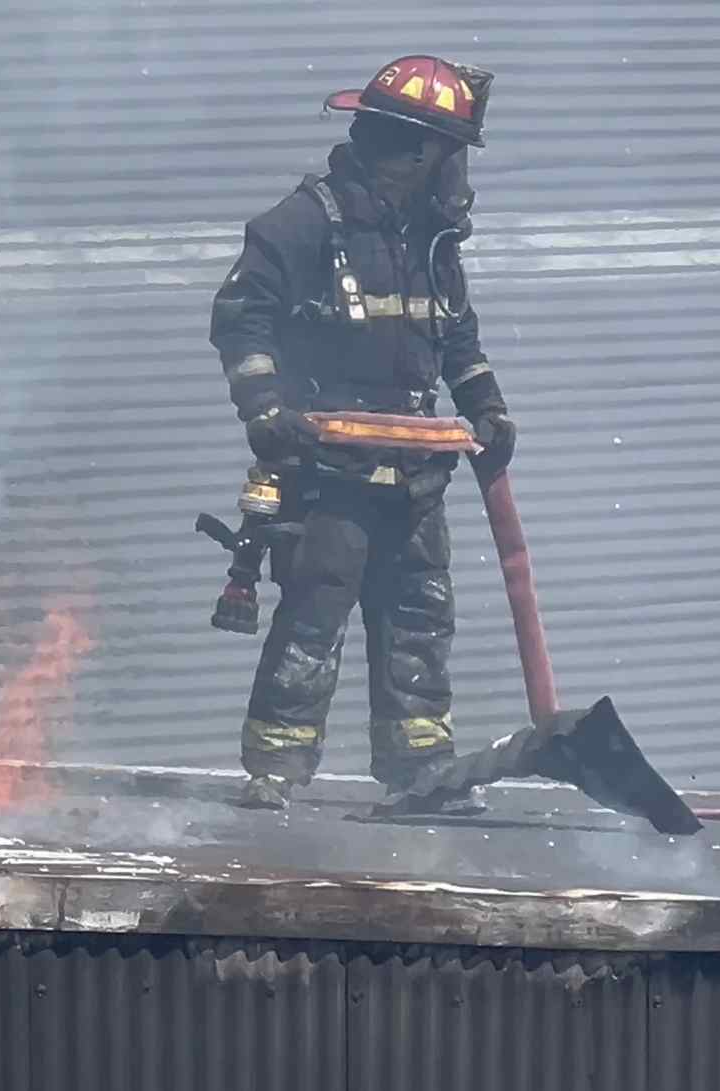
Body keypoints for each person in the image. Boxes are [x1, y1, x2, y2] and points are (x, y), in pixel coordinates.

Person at [209, 55, 516, 810]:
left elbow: (456, 338)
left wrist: (487, 409)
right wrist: (265, 409)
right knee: (315, 610)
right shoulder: (305, 222)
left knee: (418, 615)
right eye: (446, 153)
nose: (450, 172)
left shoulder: (431, 240)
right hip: (328, 467)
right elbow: (239, 316)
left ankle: (419, 769)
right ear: (412, 150)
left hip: (416, 471)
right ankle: (274, 769)